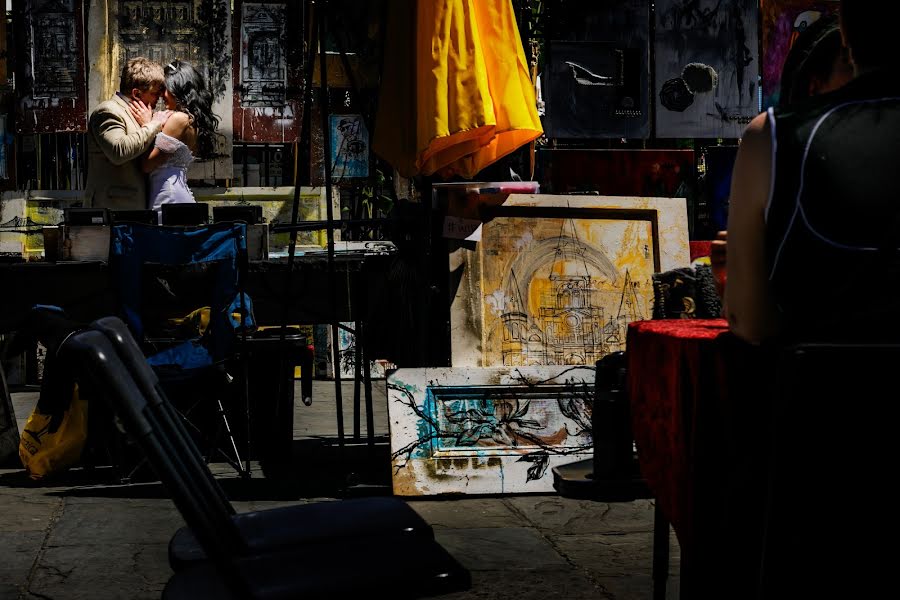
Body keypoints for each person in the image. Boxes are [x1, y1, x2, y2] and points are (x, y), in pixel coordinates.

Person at [710, 13, 854, 314]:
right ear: (814, 85)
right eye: (850, 67)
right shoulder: (775, 148)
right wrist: (732, 277)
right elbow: (745, 312)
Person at [136, 59, 220, 218]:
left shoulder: (179, 119)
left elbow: (147, 165)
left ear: (177, 87)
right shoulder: (190, 119)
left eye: (164, 89)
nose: (161, 95)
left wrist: (149, 124)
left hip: (168, 197)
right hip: (170, 194)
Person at [84, 58, 170, 210]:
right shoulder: (108, 111)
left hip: (137, 209)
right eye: (154, 93)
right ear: (136, 93)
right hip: (114, 208)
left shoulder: (143, 113)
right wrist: (153, 125)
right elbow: (119, 151)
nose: (159, 98)